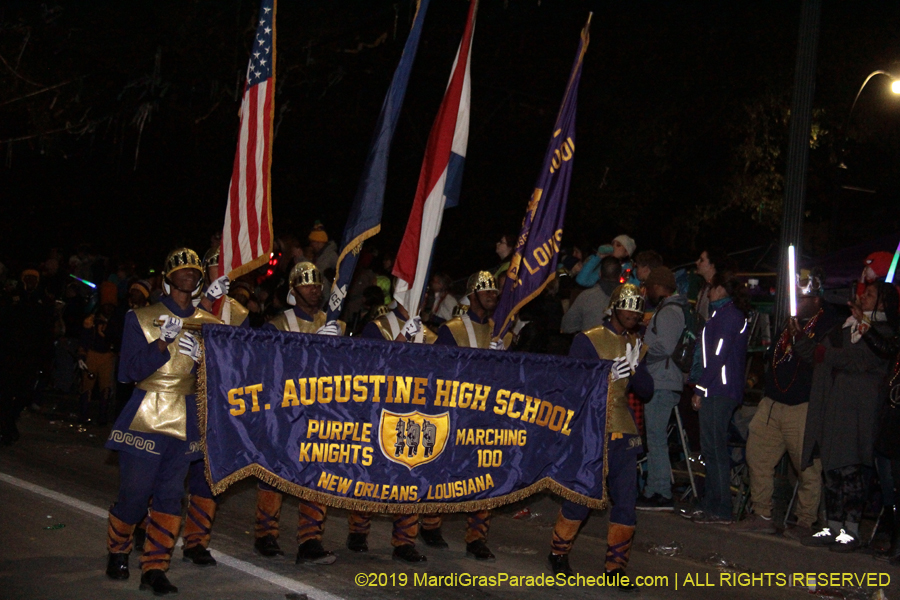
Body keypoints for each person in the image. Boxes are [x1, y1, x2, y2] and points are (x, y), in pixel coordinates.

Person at [104, 248, 221, 595]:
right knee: (136, 494)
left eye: (194, 269)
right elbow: (128, 372)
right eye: (180, 268)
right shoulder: (140, 317)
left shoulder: (210, 324)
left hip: (186, 415)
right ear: (168, 276)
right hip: (147, 412)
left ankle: (155, 567)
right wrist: (161, 344)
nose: (188, 272)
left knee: (171, 495)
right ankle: (118, 549)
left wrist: (202, 363)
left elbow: (220, 380)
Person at [547, 283, 648, 588]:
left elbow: (647, 391)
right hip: (592, 428)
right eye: (627, 307)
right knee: (582, 496)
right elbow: (572, 386)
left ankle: (615, 568)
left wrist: (636, 369)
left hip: (624, 431)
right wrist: (604, 375)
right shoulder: (588, 340)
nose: (633, 314)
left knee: (626, 501)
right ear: (613, 308)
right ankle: (558, 552)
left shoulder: (636, 344)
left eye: (637, 310)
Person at [732, 269, 838, 538]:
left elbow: (818, 360)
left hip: (802, 406)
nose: (796, 303)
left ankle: (805, 521)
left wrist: (800, 337)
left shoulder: (829, 325)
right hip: (773, 402)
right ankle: (762, 514)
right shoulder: (789, 322)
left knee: (807, 467)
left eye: (802, 298)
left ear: (816, 299)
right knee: (757, 457)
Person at [255, 262, 343, 565]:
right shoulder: (277, 325)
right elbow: (268, 370)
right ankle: (265, 534)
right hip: (284, 411)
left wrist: (340, 345)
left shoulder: (335, 324)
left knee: (318, 474)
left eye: (317, 284)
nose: (314, 289)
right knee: (274, 473)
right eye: (306, 284)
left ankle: (310, 540)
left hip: (321, 411)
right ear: (293, 290)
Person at [799, 281, 897, 551]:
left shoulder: (884, 333)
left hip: (859, 412)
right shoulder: (845, 327)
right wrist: (799, 339)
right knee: (832, 470)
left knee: (851, 470)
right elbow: (818, 354)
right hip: (834, 407)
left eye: (870, 295)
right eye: (864, 293)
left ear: (883, 303)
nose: (863, 297)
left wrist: (826, 354)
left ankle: (851, 531)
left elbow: (860, 361)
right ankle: (832, 525)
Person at [425, 271, 511, 561]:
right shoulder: (452, 329)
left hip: (488, 416)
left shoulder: (502, 332)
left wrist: (505, 359)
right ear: (472, 295)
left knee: (485, 476)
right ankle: (430, 524)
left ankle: (477, 537)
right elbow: (438, 372)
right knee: (444, 472)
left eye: (494, 291)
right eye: (485, 291)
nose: (492, 295)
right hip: (456, 413)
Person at [348, 303, 435, 563]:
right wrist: (401, 339)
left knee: (411, 476)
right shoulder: (377, 327)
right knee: (371, 475)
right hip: (380, 411)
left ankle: (405, 541)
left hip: (415, 413)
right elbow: (370, 367)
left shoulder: (430, 334)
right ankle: (358, 530)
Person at [686, 271, 751, 525]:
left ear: (722, 289)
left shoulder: (729, 316)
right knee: (711, 449)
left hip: (720, 389)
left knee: (714, 449)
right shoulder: (723, 315)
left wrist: (701, 387)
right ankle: (712, 503)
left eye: (712, 288)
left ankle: (721, 507)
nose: (708, 293)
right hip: (717, 388)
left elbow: (718, 355)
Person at [636, 267, 687, 511]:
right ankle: (656, 489)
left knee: (656, 440)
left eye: (650, 287)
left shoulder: (669, 311)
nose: (648, 292)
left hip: (663, 380)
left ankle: (660, 491)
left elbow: (665, 347)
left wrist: (642, 353)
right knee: (656, 439)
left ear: (658, 286)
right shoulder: (672, 309)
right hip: (665, 379)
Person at [561, 256, 621, 334]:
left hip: (591, 340)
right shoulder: (629, 297)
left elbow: (567, 326)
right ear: (620, 276)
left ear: (599, 274)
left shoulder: (586, 296)